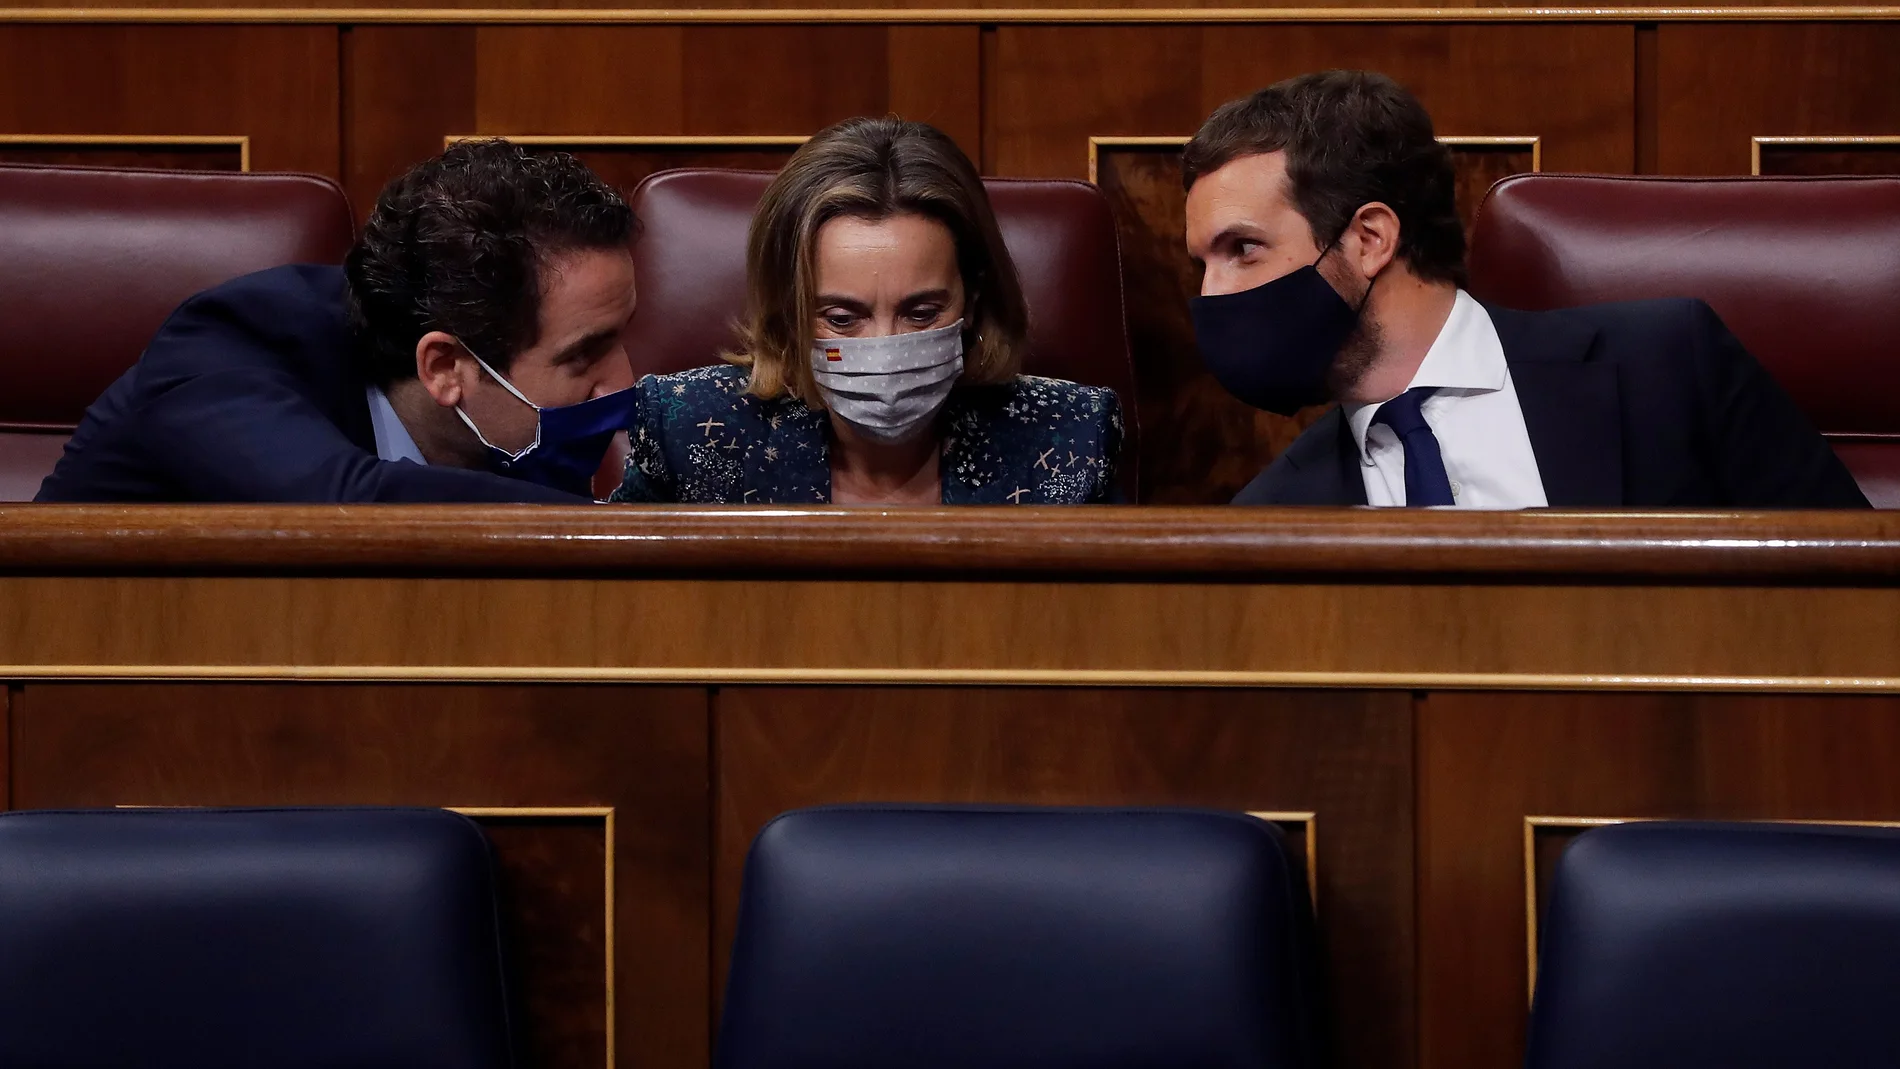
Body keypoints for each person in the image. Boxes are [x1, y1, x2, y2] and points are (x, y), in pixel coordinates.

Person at [1183, 70, 1870, 509]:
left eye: (1242, 249)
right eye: (1201, 266)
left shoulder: (1671, 365)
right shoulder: (1275, 513)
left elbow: (1857, 609)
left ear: (1369, 240)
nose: (1213, 296)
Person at [36, 139, 639, 503]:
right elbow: (344, 507)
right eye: (584, 355)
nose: (624, 384)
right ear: (445, 367)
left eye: (621, 340)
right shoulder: (232, 343)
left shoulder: (510, 438)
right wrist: (619, 535)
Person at [610, 117, 1123, 505]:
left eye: (921, 313)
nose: (884, 347)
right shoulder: (686, 429)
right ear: (789, 313)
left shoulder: (1072, 436)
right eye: (841, 318)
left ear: (973, 302)